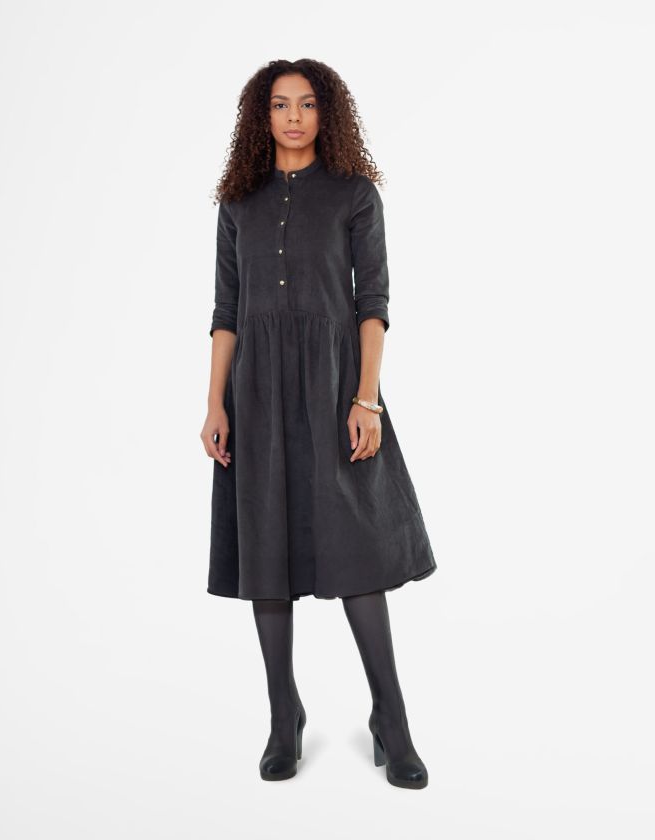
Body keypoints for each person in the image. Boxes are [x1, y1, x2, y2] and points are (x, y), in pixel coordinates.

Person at [200, 58, 437, 789]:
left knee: (356, 548)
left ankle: (391, 720)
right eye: (280, 104)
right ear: (262, 116)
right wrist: (214, 403)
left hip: (335, 388)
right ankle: (284, 717)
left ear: (325, 113)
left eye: (306, 104)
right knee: (265, 547)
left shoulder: (354, 194)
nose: (294, 117)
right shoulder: (237, 204)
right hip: (256, 394)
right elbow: (226, 312)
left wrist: (366, 399)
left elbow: (374, 304)